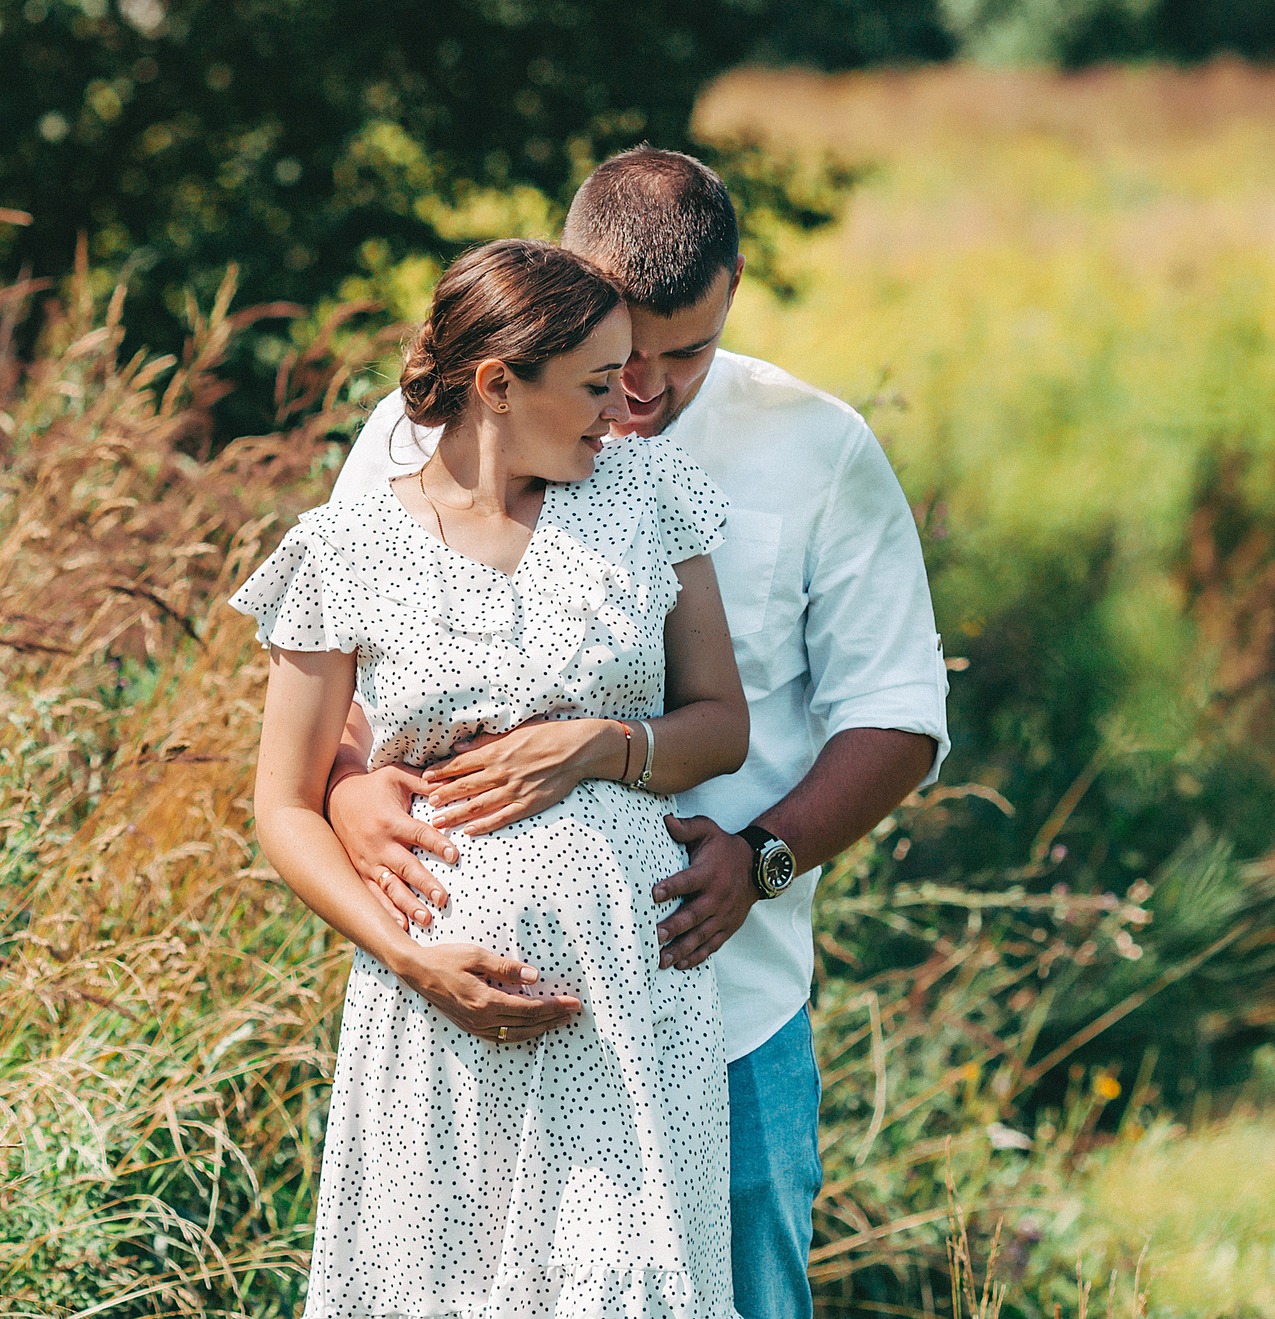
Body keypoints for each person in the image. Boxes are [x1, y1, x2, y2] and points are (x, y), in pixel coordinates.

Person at [324, 148, 951, 1319]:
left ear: (735, 291)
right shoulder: (419, 432)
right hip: (468, 1015)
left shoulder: (817, 451)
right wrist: (350, 789)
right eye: (622, 350)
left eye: (686, 352)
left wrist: (761, 858)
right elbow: (339, 674)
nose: (644, 390)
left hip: (726, 1008)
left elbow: (898, 717)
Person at [233, 237, 755, 1319]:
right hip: (436, 1009)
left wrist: (609, 745)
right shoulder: (344, 546)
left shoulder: (646, 495)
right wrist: (411, 960)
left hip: (627, 1000)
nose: (621, 409)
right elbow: (281, 804)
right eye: (596, 384)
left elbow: (721, 726)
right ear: (496, 384)